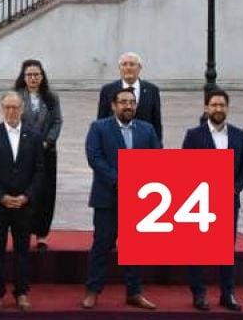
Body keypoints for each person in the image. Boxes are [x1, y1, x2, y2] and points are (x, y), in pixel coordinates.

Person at [83, 87, 161, 310]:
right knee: (101, 246)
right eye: (123, 102)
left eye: (131, 102)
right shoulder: (99, 127)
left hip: (139, 199)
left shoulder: (147, 129)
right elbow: (95, 157)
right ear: (114, 105)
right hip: (107, 198)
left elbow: (156, 157)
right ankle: (93, 291)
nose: (128, 106)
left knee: (135, 249)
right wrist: (119, 181)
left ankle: (134, 292)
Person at [183, 89, 243, 312]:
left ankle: (227, 294)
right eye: (214, 105)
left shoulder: (239, 135)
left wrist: (236, 189)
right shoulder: (194, 135)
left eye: (222, 105)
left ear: (228, 108)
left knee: (226, 251)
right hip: (201, 201)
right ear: (206, 108)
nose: (218, 109)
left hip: (229, 201)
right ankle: (199, 294)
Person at [0, 91, 45, 312]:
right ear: (2, 109)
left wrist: (26, 196)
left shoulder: (34, 136)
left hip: (24, 205)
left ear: (22, 109)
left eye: (15, 107)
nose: (11, 111)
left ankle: (22, 292)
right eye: (7, 107)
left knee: (22, 251)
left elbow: (39, 171)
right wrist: (2, 197)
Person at [14, 59, 62, 250]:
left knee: (46, 192)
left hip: (46, 151)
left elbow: (57, 121)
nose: (33, 78)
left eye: (36, 75)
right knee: (24, 191)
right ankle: (23, 231)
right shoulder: (16, 97)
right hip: (23, 151)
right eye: (29, 75)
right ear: (23, 77)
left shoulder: (51, 97)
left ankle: (42, 234)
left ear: (42, 77)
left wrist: (47, 141)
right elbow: (12, 121)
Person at [96, 51, 163, 142]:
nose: (128, 68)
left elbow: (156, 122)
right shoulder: (108, 90)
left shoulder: (152, 90)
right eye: (124, 64)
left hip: (143, 146)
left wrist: (158, 147)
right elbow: (101, 121)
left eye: (132, 64)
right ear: (119, 68)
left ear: (139, 68)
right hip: (115, 145)